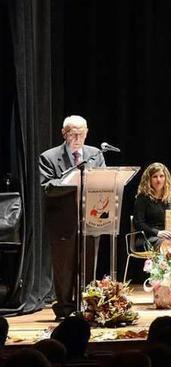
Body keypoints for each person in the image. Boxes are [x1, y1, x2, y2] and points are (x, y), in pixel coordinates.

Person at [39, 115, 106, 320]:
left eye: (82, 133)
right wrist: (73, 182)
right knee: (64, 268)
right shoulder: (49, 157)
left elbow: (103, 180)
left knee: (88, 265)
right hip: (62, 221)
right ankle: (65, 309)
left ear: (87, 132)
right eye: (73, 133)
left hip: (91, 219)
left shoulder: (95, 154)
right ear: (64, 134)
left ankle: (87, 307)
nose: (78, 137)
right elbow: (47, 186)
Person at [132, 162, 171, 305]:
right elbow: (138, 223)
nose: (159, 180)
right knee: (168, 248)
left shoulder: (170, 197)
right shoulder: (143, 197)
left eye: (161, 176)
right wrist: (158, 232)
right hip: (149, 237)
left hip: (169, 237)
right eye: (155, 177)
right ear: (149, 179)